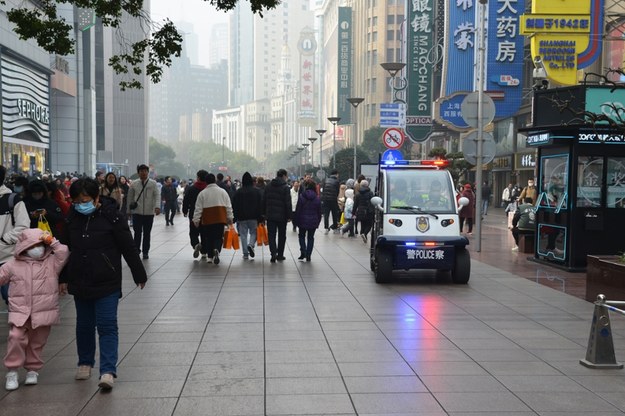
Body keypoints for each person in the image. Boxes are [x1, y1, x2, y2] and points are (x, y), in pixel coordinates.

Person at [60, 178, 147, 390]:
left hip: (106, 280)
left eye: (86, 200)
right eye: (77, 201)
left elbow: (128, 246)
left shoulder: (113, 217)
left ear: (97, 198)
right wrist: (62, 277)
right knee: (84, 326)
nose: (82, 204)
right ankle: (85, 362)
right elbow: (63, 250)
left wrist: (139, 273)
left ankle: (107, 370)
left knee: (107, 325)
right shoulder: (72, 218)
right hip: (80, 279)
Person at [1, 229, 69, 390]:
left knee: (37, 342)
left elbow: (64, 251)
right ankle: (12, 370)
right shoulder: (12, 265)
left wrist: (51, 240)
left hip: (43, 311)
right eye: (34, 245)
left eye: (40, 244)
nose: (37, 248)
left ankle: (33, 369)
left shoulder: (51, 262)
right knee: (15, 337)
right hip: (20, 312)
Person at [192, 173, 233, 264]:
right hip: (220, 217)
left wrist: (196, 220)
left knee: (209, 238)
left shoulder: (202, 193)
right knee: (218, 237)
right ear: (214, 180)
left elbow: (198, 208)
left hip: (207, 218)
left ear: (206, 182)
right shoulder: (223, 191)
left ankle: (210, 257)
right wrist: (230, 217)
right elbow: (228, 206)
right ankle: (217, 249)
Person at [127, 164, 160, 259]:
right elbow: (129, 198)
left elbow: (157, 195)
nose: (143, 173)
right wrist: (128, 211)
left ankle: (146, 251)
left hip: (149, 213)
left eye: (145, 171)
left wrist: (157, 207)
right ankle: (136, 250)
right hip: (137, 212)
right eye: (141, 171)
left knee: (147, 233)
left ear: (148, 172)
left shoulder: (153, 183)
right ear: (138, 173)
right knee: (137, 232)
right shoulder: (134, 183)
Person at [262, 169, 292, 263]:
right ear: (283, 176)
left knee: (271, 234)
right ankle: (280, 255)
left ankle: (273, 253)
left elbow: (264, 200)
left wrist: (264, 213)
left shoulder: (268, 186)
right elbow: (288, 203)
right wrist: (289, 216)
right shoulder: (285, 187)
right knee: (282, 235)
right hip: (282, 216)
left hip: (270, 215)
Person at [232, 172, 262, 260]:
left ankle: (245, 253)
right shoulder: (257, 191)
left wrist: (234, 217)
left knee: (243, 235)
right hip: (254, 217)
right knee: (254, 233)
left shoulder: (238, 192)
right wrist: (261, 217)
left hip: (241, 217)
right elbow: (260, 205)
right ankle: (251, 244)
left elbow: (234, 205)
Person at [182, 170, 209, 259]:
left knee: (193, 232)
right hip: (206, 213)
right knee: (204, 233)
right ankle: (204, 252)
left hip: (194, 213)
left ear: (198, 177)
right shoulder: (208, 189)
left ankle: (196, 244)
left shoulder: (191, 188)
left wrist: (185, 211)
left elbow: (186, 201)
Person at [294, 179, 321, 262]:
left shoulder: (302, 196)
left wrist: (296, 221)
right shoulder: (317, 198)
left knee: (301, 236)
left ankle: (303, 251)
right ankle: (308, 255)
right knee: (310, 237)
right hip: (313, 220)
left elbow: (298, 209)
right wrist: (318, 221)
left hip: (302, 219)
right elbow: (319, 211)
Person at [321, 169, 340, 234]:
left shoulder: (326, 180)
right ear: (336, 174)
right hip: (333, 200)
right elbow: (337, 192)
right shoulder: (337, 181)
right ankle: (335, 228)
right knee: (334, 214)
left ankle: (326, 228)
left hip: (326, 200)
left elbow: (323, 190)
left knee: (326, 214)